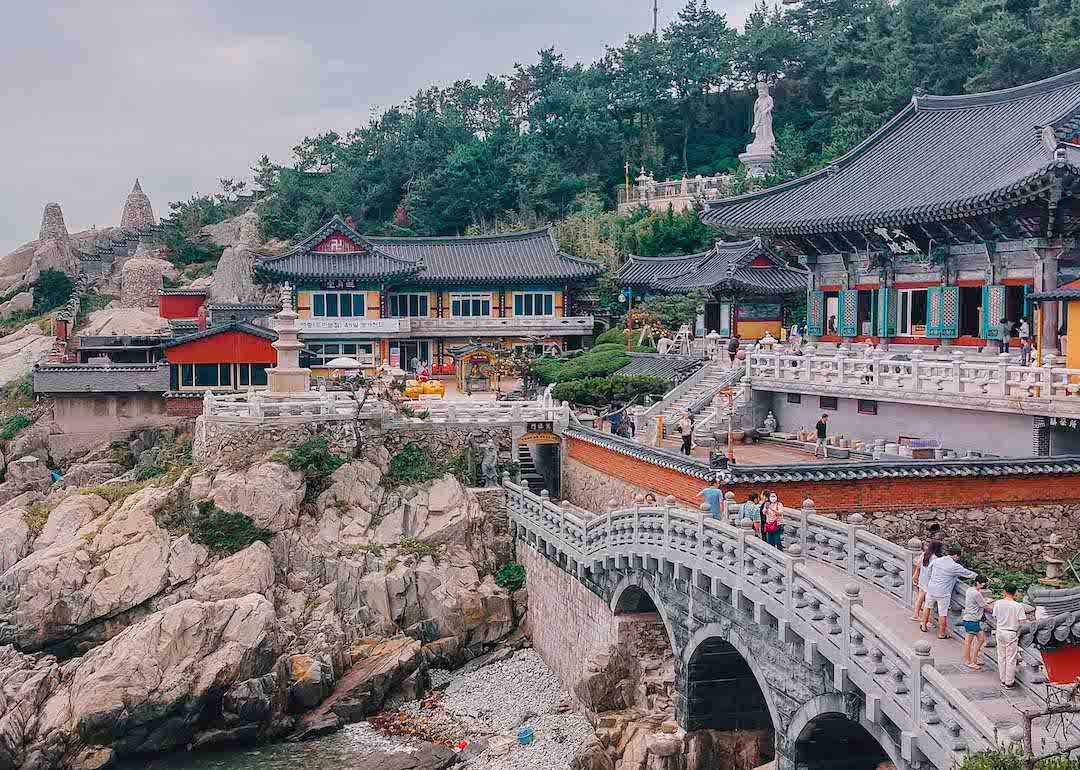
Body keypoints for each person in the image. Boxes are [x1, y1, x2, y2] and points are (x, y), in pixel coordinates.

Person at [920, 545, 977, 639]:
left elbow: (929, 571)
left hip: (931, 588)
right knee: (943, 613)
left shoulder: (936, 561)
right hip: (943, 592)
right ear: (955, 555)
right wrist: (978, 576)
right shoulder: (954, 566)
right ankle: (941, 633)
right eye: (958, 556)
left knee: (927, 606)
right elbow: (968, 574)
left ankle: (923, 625)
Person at [993, 582, 1027, 688]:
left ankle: (1003, 679)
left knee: (1001, 656)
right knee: (1011, 658)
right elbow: (1022, 622)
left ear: (1004, 592)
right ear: (1015, 593)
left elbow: (994, 616)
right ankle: (1009, 681)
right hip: (1011, 632)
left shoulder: (998, 603)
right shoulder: (1018, 606)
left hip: (1000, 631)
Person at [911, 539, 943, 622]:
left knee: (920, 598)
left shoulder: (925, 554)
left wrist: (916, 574)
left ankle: (915, 615)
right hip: (929, 582)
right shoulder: (935, 558)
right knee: (928, 602)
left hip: (922, 579)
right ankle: (926, 621)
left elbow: (918, 564)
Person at [962, 575, 990, 670]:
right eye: (982, 584)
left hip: (968, 618)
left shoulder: (969, 590)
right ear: (978, 583)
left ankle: (973, 658)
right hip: (972, 620)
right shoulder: (977, 594)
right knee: (970, 641)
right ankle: (969, 661)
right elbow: (984, 605)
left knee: (980, 639)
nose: (983, 586)